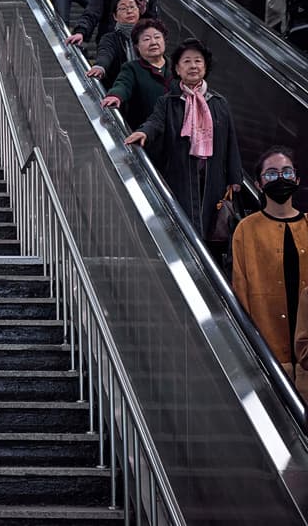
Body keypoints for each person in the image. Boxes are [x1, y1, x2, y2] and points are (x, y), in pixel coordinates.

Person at [125, 38, 243, 240]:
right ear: (178, 69)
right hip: (180, 175)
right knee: (184, 225)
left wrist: (235, 178)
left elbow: (231, 142)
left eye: (198, 61)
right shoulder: (169, 101)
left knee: (211, 225)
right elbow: (155, 122)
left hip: (213, 176)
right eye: (187, 61)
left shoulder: (219, 102)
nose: (193, 66)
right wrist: (144, 132)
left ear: (205, 67)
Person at [231, 146, 308, 398]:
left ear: (296, 179)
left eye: (286, 172)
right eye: (271, 174)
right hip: (271, 356)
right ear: (259, 184)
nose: (281, 178)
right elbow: (241, 291)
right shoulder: (246, 229)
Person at [100, 18, 173, 130]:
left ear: (164, 41)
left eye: (157, 37)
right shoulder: (132, 68)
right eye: (146, 39)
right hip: (145, 135)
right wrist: (115, 95)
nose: (153, 42)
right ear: (137, 46)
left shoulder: (178, 67)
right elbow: (123, 84)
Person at [86, 0, 141, 89]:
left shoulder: (147, 36)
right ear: (115, 16)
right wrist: (100, 66)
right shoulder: (110, 38)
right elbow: (105, 52)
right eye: (123, 8)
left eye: (132, 7)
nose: (129, 11)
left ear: (139, 11)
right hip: (118, 91)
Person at [65, 0, 158, 45]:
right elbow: (92, 12)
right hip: (110, 43)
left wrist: (144, 12)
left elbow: (155, 23)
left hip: (139, 45)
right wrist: (81, 31)